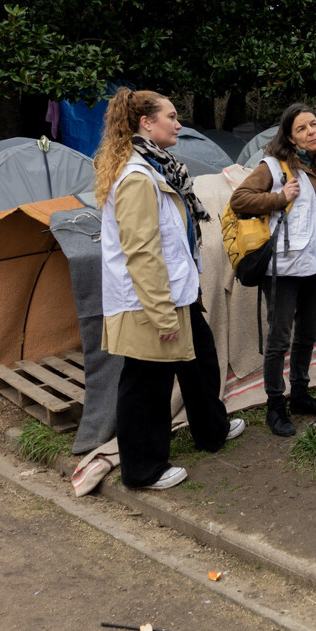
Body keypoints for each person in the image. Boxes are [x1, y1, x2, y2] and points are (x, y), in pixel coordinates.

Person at [95, 88, 244, 489]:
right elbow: (141, 252)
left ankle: (211, 430)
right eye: (172, 117)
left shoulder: (156, 167)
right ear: (146, 122)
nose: (179, 124)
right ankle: (143, 470)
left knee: (200, 360)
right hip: (148, 301)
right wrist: (161, 313)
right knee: (146, 383)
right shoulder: (136, 177)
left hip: (177, 291)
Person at [229, 104, 316, 436]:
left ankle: (300, 395)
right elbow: (239, 199)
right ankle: (275, 406)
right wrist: (278, 198)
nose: (311, 131)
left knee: (306, 334)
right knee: (279, 337)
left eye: (313, 124)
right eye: (301, 128)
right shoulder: (274, 166)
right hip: (284, 266)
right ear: (289, 136)